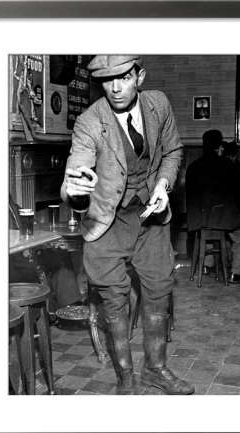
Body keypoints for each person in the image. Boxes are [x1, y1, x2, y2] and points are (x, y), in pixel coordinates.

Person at [60, 55, 194, 395]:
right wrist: (74, 192)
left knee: (158, 292)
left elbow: (173, 151)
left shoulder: (158, 104)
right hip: (107, 220)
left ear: (140, 76)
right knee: (115, 303)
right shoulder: (90, 122)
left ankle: (156, 370)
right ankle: (126, 379)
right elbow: (76, 172)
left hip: (150, 218)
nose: (116, 87)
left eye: (123, 77)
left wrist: (163, 186)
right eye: (107, 80)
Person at [185, 129, 240, 284]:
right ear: (220, 147)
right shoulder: (227, 165)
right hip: (219, 218)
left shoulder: (193, 166)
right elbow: (239, 193)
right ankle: (238, 274)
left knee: (211, 229)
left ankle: (207, 265)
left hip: (197, 219)